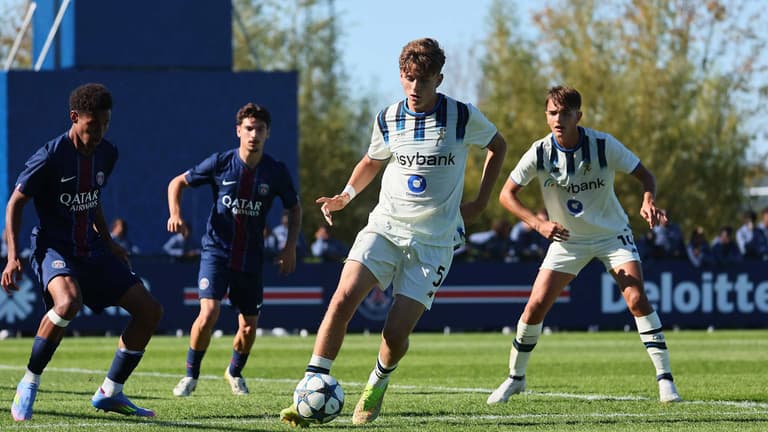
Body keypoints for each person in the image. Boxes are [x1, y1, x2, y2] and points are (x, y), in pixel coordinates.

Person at [280, 37, 507, 427]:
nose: (415, 87)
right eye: (408, 78)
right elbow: (372, 160)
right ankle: (309, 387)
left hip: (434, 242)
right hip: (385, 227)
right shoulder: (388, 117)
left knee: (395, 333)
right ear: (401, 76)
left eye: (423, 80)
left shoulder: (462, 116)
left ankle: (377, 382)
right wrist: (345, 196)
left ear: (439, 79)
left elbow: (498, 146)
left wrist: (481, 202)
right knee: (342, 298)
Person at [487, 86, 681, 405]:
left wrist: (648, 200)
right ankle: (515, 378)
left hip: (611, 234)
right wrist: (539, 224)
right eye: (552, 113)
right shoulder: (539, 152)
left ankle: (665, 380)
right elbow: (506, 195)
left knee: (635, 298)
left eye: (565, 113)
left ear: (579, 116)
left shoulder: (603, 145)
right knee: (535, 305)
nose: (558, 119)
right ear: (546, 116)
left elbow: (646, 176)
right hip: (568, 240)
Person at [1, 83, 163, 421]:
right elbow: (15, 203)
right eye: (93, 125)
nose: (99, 132)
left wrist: (109, 241)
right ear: (75, 117)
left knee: (149, 311)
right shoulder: (49, 157)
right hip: (53, 247)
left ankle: (110, 392)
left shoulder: (107, 153)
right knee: (68, 302)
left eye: (105, 124)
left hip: (92, 249)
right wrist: (13, 256)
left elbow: (92, 199)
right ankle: (29, 383)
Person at [167, 102, 301, 397]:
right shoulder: (221, 163)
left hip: (251, 257)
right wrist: (175, 213)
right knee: (209, 313)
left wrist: (290, 246)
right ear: (238, 131)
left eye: (260, 129)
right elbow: (177, 183)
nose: (254, 134)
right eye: (249, 129)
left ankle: (234, 372)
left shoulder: (275, 172)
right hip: (216, 251)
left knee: (249, 327)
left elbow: (294, 208)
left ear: (267, 133)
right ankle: (190, 375)